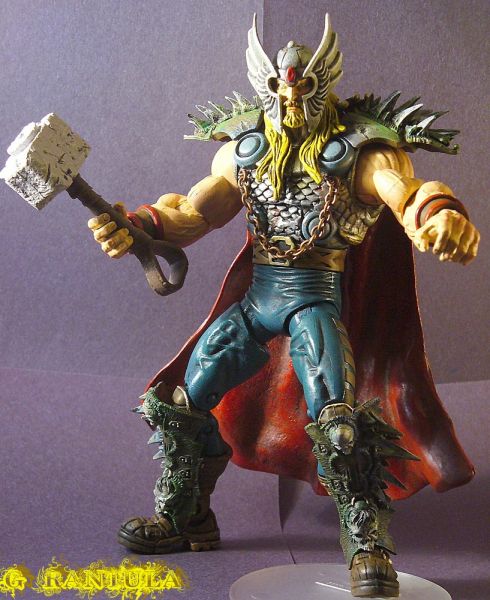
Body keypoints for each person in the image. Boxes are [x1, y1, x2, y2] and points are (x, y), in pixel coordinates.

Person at [88, 15, 479, 598]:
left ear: (325, 84)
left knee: (337, 416)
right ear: (265, 87)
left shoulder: (358, 153)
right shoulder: (246, 150)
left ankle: (366, 542)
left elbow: (406, 194)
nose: (291, 97)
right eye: (278, 86)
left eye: (304, 86)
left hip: (315, 299)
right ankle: (186, 513)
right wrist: (138, 225)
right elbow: (193, 213)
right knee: (187, 398)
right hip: (260, 300)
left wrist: (440, 214)